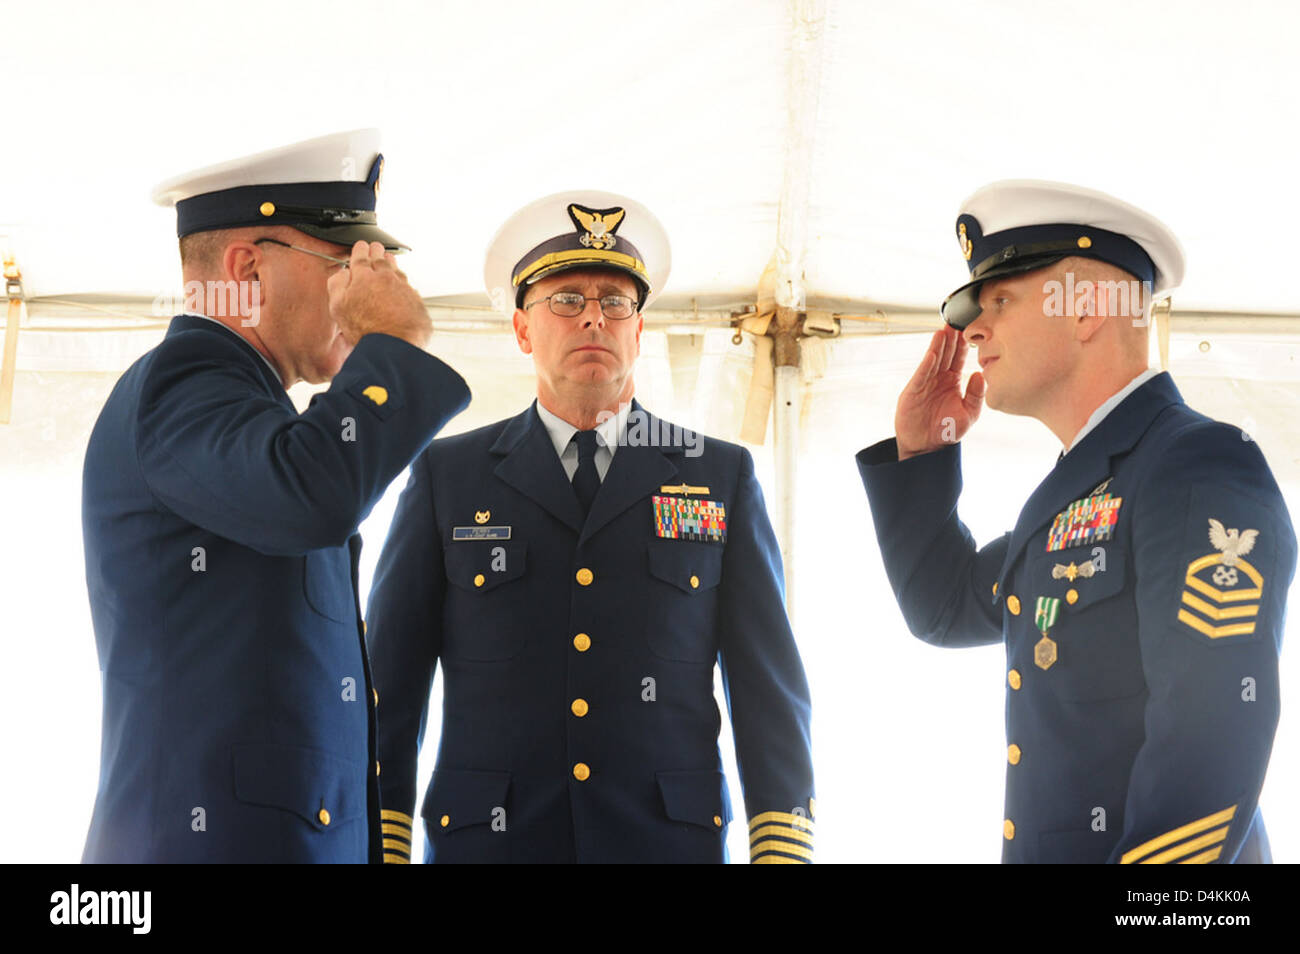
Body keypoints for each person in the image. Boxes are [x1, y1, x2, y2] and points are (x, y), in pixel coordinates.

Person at [367, 191, 815, 863]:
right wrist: (382, 842)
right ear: (522, 329)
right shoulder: (448, 476)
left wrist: (781, 848)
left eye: (615, 302)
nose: (594, 318)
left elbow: (767, 688)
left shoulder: (719, 475)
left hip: (665, 845)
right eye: (567, 299)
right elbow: (391, 685)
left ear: (639, 330)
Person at [857, 180, 1295, 863]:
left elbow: (1211, 737)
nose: (973, 330)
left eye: (1000, 301)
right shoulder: (1081, 494)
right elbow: (944, 609)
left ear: (1087, 309)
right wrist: (921, 452)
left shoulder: (1197, 465)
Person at [81, 130, 471, 862]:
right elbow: (312, 494)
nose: (364, 291)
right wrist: (392, 344)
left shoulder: (249, 407)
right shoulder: (183, 382)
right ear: (247, 269)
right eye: (346, 266)